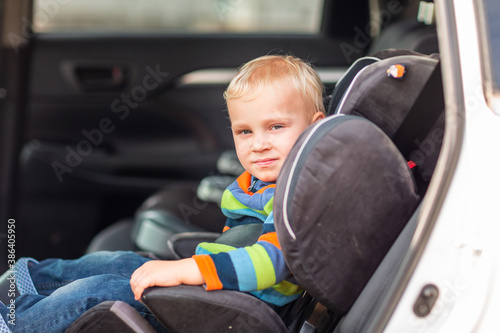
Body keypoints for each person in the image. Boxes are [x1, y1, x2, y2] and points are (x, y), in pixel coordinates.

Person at [0, 54, 326, 333]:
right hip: (215, 288)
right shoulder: (267, 184)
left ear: (314, 127)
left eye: (276, 127)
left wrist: (182, 270)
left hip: (223, 312)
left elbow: (270, 262)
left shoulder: (297, 197)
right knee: (115, 262)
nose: (258, 144)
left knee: (98, 290)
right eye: (245, 131)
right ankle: (19, 287)